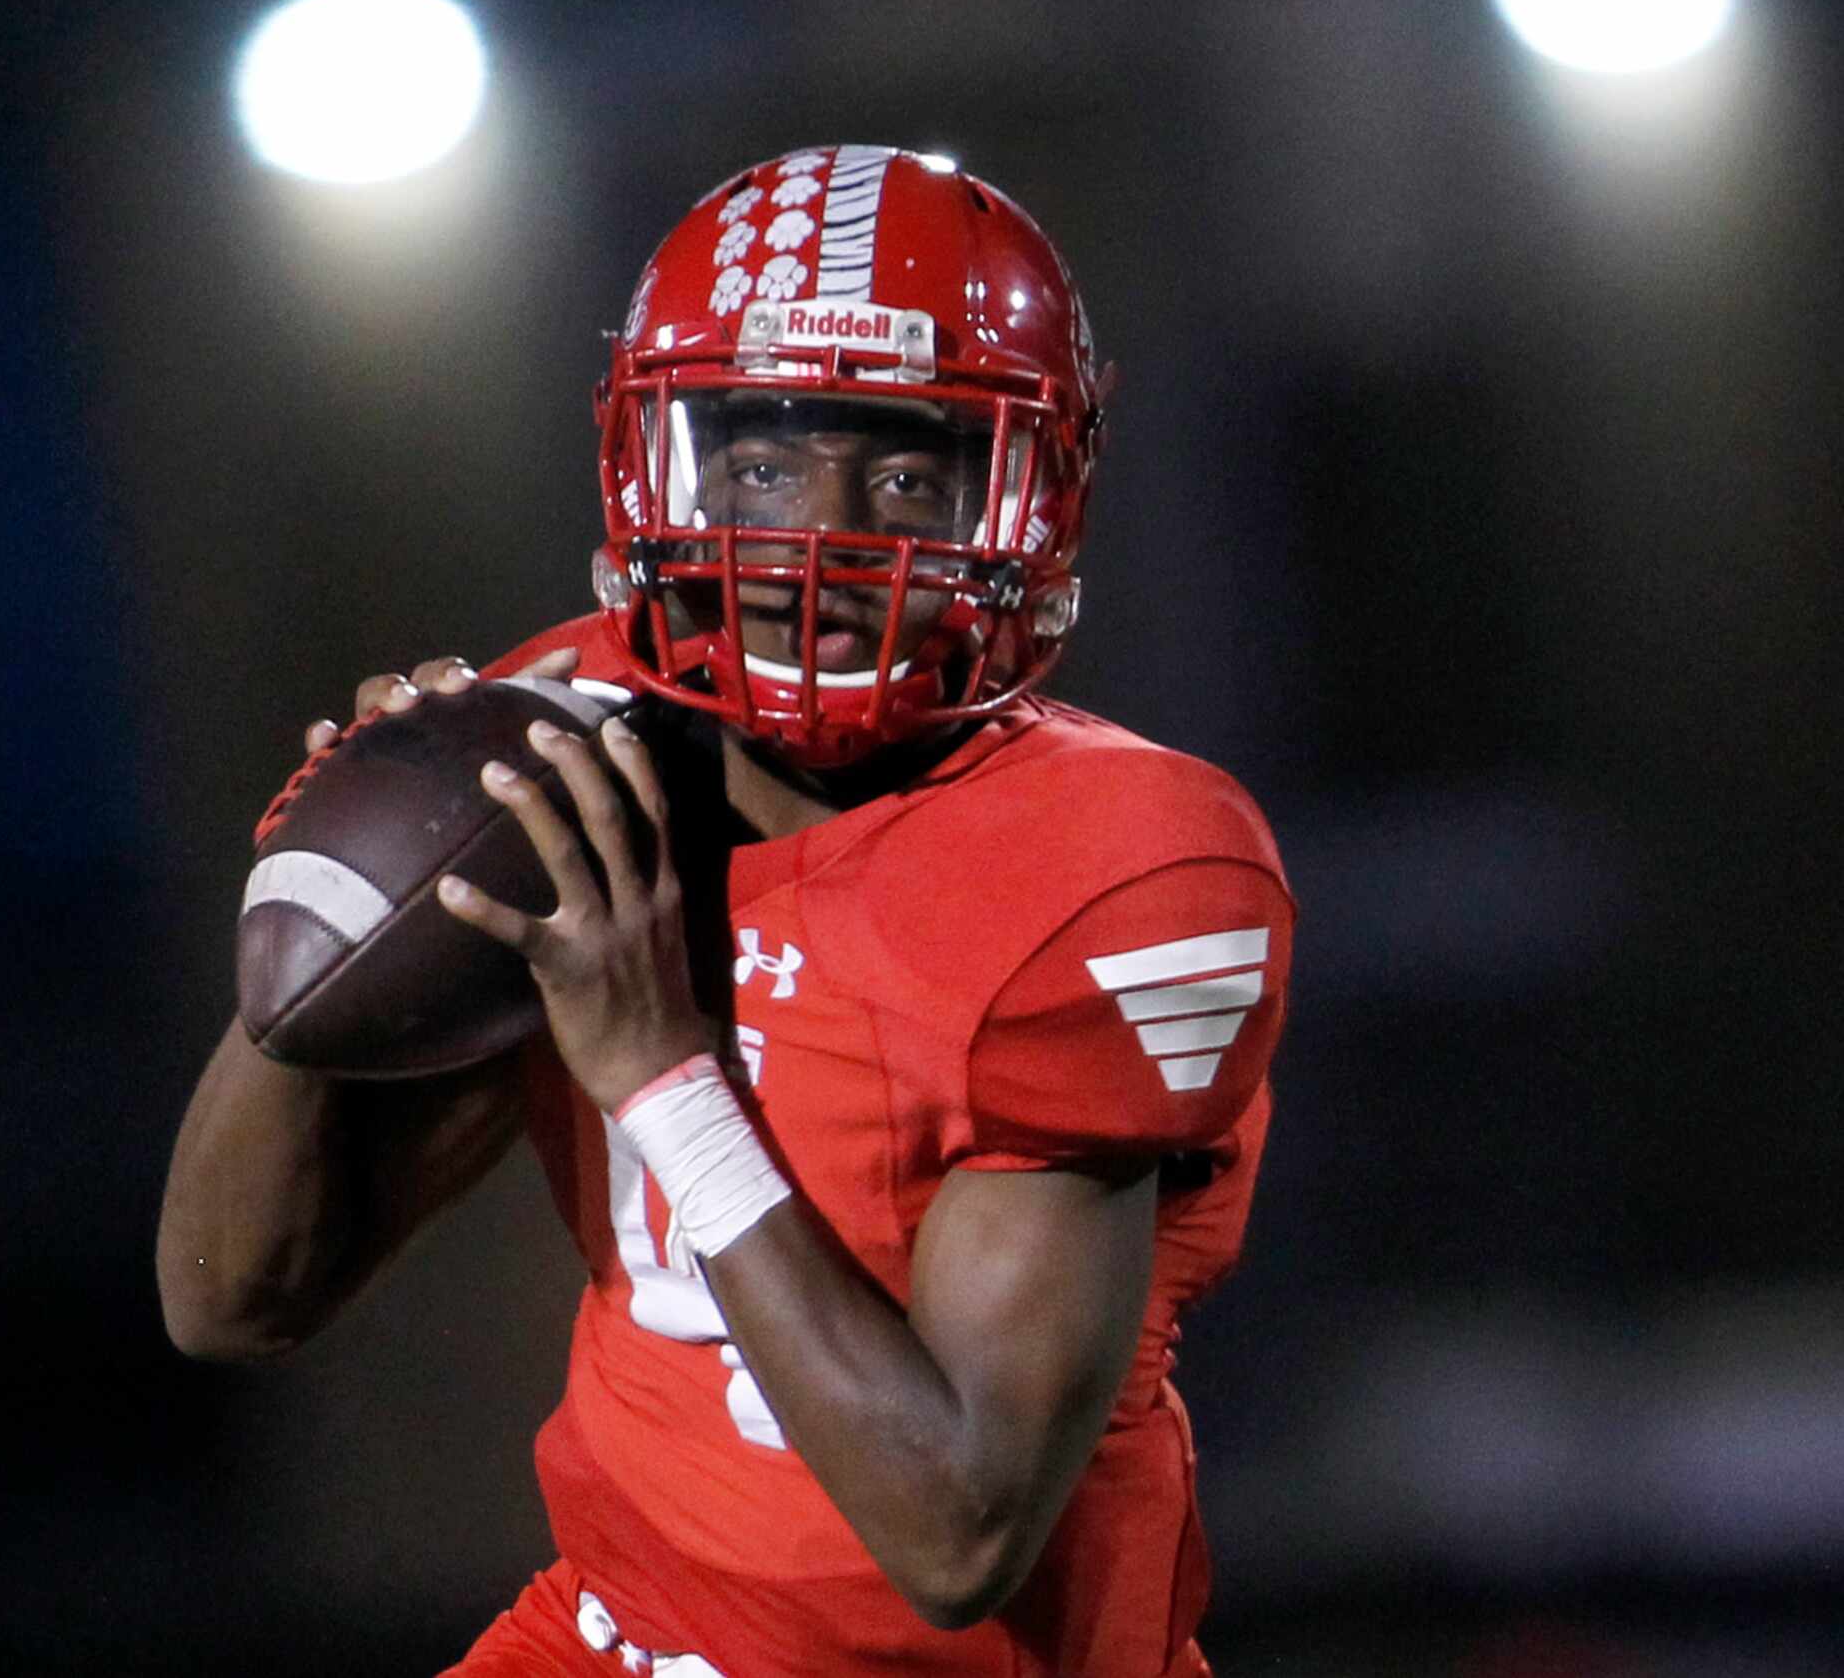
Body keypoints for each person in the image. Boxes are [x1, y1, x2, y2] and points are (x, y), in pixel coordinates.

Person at [157, 145, 1295, 1677]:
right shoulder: (584, 732)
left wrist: (660, 1071)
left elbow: (957, 1533)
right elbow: (231, 1300)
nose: (818, 536)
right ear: (657, 462)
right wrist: (333, 906)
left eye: (902, 467)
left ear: (1024, 493)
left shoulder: (1114, 860)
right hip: (618, 1630)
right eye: (761, 460)